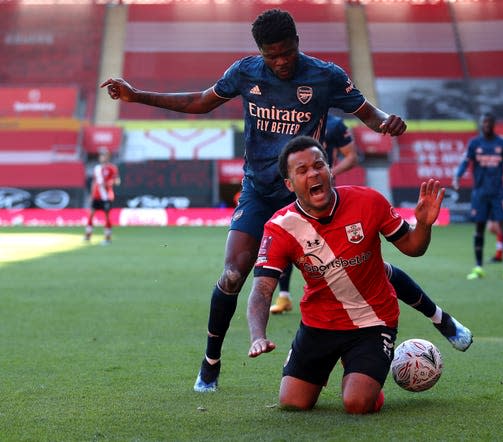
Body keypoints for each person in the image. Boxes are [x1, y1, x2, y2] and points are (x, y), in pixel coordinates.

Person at [101, 9, 409, 393]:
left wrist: (385, 123)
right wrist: (136, 96)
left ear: (297, 43)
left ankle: (426, 325)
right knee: (233, 275)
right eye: (270, 55)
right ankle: (210, 361)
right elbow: (200, 101)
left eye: (285, 52)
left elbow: (368, 113)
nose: (279, 62)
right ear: (260, 52)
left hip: (306, 198)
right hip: (260, 192)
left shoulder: (325, 75)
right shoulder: (246, 72)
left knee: (354, 266)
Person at [247, 136, 445, 414]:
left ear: (330, 170)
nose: (313, 173)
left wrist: (423, 225)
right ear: (290, 184)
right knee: (293, 403)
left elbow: (413, 248)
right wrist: (258, 335)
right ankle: (342, 363)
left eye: (319, 165)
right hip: (319, 323)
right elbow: (262, 289)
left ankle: (367, 376)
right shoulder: (279, 227)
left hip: (373, 320)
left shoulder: (368, 201)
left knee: (357, 403)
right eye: (302, 170)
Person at [271, 114, 358, 313]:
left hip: (322, 194)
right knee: (288, 239)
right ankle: (284, 295)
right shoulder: (291, 118)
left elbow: (352, 156)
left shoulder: (335, 124)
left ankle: (342, 292)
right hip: (296, 191)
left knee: (328, 241)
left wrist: (327, 173)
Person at [453, 112, 503, 280]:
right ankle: (478, 267)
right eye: (484, 122)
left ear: (493, 124)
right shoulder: (474, 143)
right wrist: (457, 176)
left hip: (499, 193)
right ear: (481, 124)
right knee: (479, 229)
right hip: (480, 193)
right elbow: (465, 162)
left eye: (489, 122)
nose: (486, 125)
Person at [84, 148, 120, 245]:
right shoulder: (97, 168)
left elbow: (117, 181)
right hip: (96, 195)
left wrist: (109, 183)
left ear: (108, 156)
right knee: (91, 214)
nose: (102, 157)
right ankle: (88, 235)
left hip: (106, 196)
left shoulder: (112, 168)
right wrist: (91, 195)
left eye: (104, 155)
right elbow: (94, 182)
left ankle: (107, 238)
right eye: (101, 155)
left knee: (107, 217)